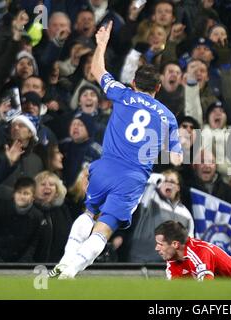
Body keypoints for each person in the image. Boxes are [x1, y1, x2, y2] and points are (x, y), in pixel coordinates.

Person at [50, 21, 182, 278]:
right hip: (131, 177)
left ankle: (65, 261)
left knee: (89, 212)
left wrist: (101, 44)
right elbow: (176, 159)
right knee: (105, 227)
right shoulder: (168, 118)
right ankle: (68, 273)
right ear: (158, 88)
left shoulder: (122, 93)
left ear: (133, 83)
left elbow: (97, 69)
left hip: (104, 167)